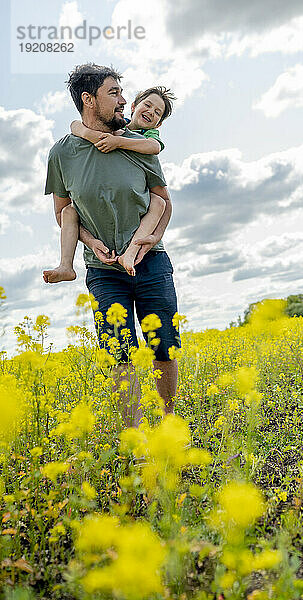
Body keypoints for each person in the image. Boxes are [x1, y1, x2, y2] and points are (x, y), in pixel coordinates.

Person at [44, 63, 180, 428]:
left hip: (150, 262)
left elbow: (163, 201)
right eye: (114, 93)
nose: (123, 100)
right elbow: (64, 211)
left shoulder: (138, 143)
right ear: (89, 100)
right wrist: (92, 243)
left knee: (162, 347)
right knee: (119, 355)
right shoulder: (62, 154)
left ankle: (168, 426)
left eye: (122, 93)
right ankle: (135, 436)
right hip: (104, 272)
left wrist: (150, 240)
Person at [43, 86, 175, 282]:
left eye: (157, 113)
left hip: (150, 257)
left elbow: (154, 148)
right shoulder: (118, 125)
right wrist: (89, 134)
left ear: (159, 124)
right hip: (102, 268)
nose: (150, 112)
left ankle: (131, 251)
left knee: (159, 202)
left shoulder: (148, 137)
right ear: (133, 106)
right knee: (67, 212)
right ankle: (65, 265)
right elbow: (74, 125)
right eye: (147, 105)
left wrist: (118, 142)